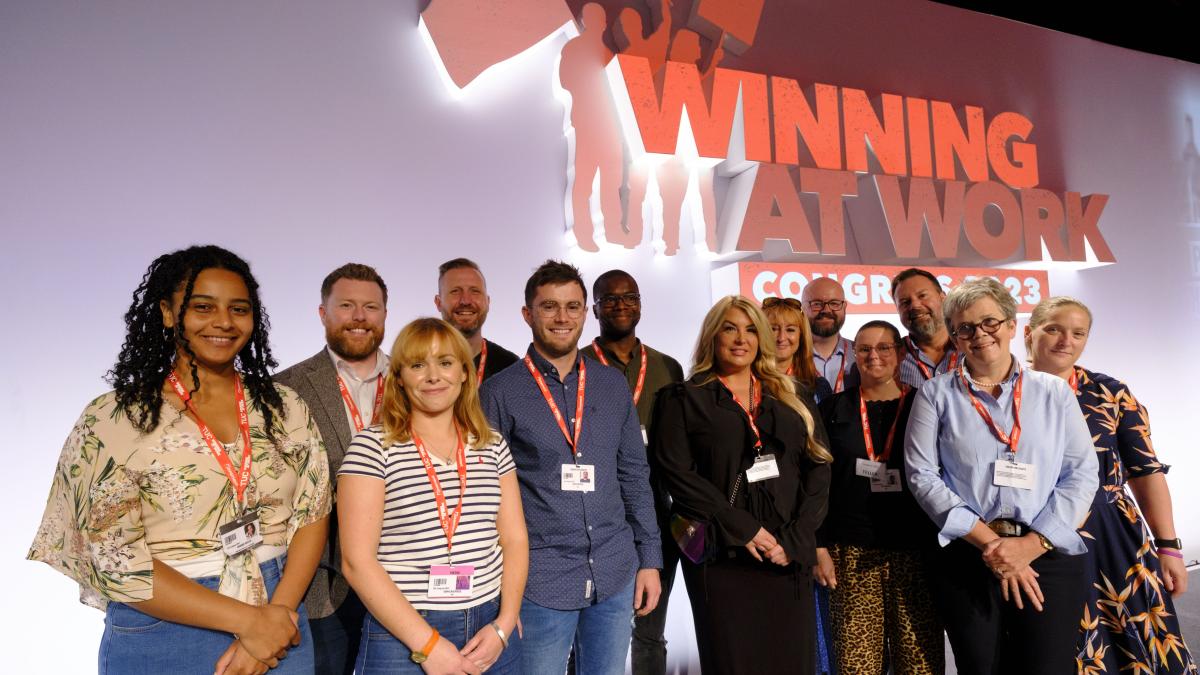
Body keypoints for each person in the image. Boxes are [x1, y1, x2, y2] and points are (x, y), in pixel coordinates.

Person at [29, 245, 331, 675]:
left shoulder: (284, 407)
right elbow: (116, 558)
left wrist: (276, 615)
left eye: (239, 309)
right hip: (166, 627)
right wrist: (248, 622)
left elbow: (313, 511)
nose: (224, 322)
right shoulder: (115, 418)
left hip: (281, 618)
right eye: (203, 307)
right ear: (169, 312)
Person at [905, 277, 1098, 675]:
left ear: (1012, 326)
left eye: (990, 322)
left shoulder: (1053, 392)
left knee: (1047, 667)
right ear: (955, 338)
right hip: (969, 556)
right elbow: (922, 475)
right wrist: (994, 545)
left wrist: (1031, 545)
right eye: (965, 328)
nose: (980, 334)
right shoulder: (935, 395)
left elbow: (1080, 474)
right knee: (980, 668)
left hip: (1048, 555)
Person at [480, 260, 662, 674]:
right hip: (538, 583)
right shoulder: (498, 393)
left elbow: (635, 477)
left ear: (585, 313)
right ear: (528, 314)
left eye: (572, 306)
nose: (562, 317)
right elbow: (485, 498)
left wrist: (649, 559)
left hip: (615, 574)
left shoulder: (612, 385)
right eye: (549, 307)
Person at [652, 295, 831, 675]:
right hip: (722, 557)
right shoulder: (682, 399)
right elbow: (677, 474)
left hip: (787, 555)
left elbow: (819, 468)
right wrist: (744, 528)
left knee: (791, 662)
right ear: (712, 336)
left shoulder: (792, 395)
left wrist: (797, 538)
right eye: (729, 328)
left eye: (751, 329)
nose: (740, 338)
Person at [338, 318, 528, 674]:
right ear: (399, 378)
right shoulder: (372, 448)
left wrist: (505, 622)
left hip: (489, 624)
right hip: (403, 632)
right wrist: (427, 644)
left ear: (464, 374)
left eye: (445, 363)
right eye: (417, 365)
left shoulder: (492, 445)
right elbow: (356, 563)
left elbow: (515, 539)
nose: (433, 376)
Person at [1025, 297, 1196, 674]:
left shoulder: (1109, 393)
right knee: (1063, 646)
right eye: (1053, 329)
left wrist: (1169, 548)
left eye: (1078, 333)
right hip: (1041, 535)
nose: (1065, 341)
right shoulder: (1008, 394)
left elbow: (1145, 471)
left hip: (1114, 533)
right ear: (1028, 333)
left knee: (1144, 645)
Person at [275, 262, 389, 674]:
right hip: (322, 583)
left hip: (403, 576)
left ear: (384, 315)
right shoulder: (284, 389)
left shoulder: (417, 384)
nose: (359, 317)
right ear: (323, 314)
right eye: (346, 305)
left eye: (371, 307)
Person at [813, 320, 943, 674]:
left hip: (917, 551)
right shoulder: (831, 409)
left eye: (884, 347)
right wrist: (818, 545)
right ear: (855, 354)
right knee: (858, 664)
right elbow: (816, 482)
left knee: (920, 662)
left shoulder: (925, 405)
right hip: (851, 553)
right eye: (865, 349)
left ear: (900, 353)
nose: (874, 356)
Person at [583, 269, 684, 675]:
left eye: (629, 297)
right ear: (595, 308)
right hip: (594, 513)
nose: (620, 305)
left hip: (655, 514)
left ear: (640, 303)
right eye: (609, 299)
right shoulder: (577, 364)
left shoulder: (668, 367)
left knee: (649, 630)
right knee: (586, 632)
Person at [435, 258, 520, 384]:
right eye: (455, 292)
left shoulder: (509, 366)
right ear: (439, 303)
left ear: (488, 302)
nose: (466, 301)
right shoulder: (418, 361)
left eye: (475, 291)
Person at [891, 268, 957, 389]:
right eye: (905, 302)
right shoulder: (890, 357)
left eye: (922, 296)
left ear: (943, 298)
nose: (915, 305)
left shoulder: (973, 347)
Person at [801, 278, 858, 399]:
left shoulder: (863, 355)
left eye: (834, 303)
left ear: (844, 307)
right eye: (816, 303)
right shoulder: (787, 357)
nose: (826, 310)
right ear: (802, 309)